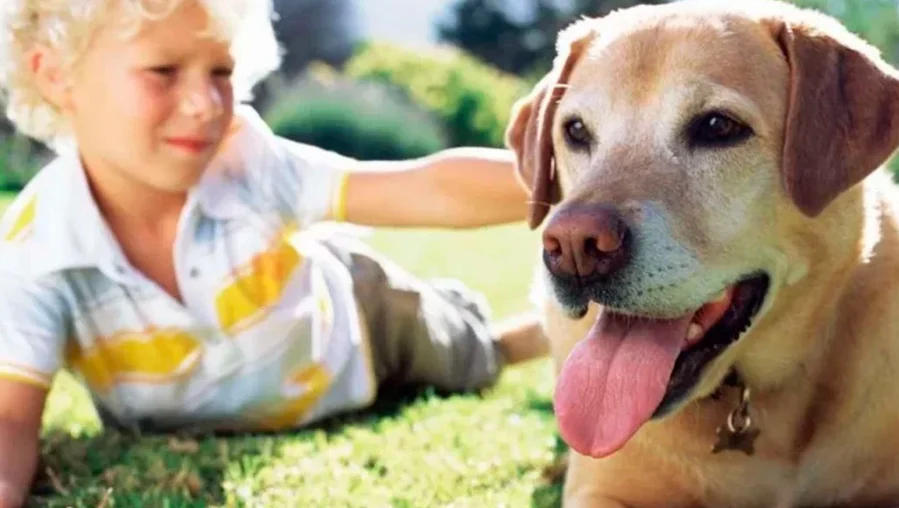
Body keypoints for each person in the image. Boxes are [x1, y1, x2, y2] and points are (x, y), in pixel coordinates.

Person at [0, 0, 548, 505]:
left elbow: (424, 188)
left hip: (360, 324)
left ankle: (521, 336)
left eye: (220, 72)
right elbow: (10, 418)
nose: (203, 103)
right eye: (162, 72)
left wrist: (570, 181)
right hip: (256, 384)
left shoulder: (248, 162)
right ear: (55, 75)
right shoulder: (37, 248)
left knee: (466, 357)